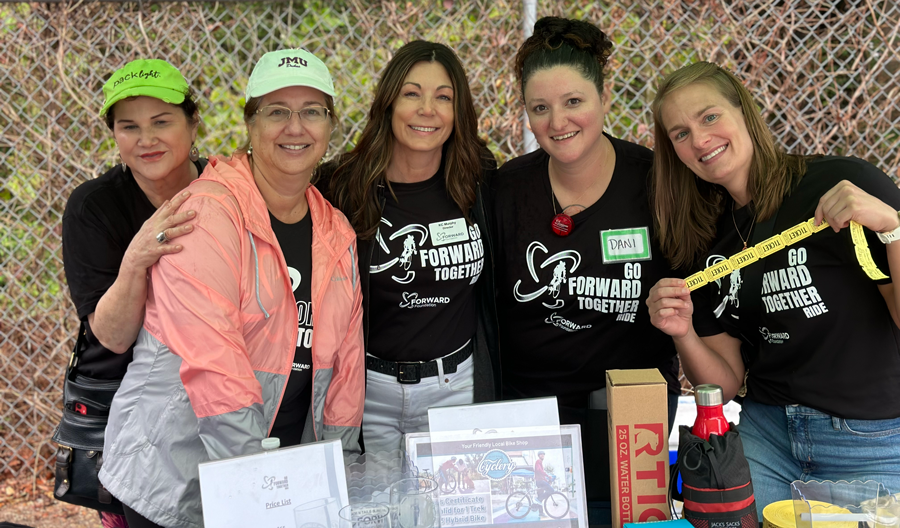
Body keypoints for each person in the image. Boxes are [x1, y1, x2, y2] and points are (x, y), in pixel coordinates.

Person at [99, 48, 365, 528]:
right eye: (277, 112)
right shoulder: (206, 213)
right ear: (250, 123)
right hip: (176, 474)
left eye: (312, 112)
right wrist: (257, 491)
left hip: (279, 474)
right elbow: (215, 363)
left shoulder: (336, 231)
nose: (295, 127)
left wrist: (336, 475)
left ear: (330, 125)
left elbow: (345, 373)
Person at [646, 61, 900, 516]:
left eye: (709, 117)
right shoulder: (703, 239)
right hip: (766, 436)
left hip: (870, 440)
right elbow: (725, 384)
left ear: (744, 112)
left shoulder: (840, 187)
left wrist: (894, 230)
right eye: (679, 134)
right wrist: (681, 330)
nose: (700, 139)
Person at [491, 17, 680, 522]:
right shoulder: (507, 190)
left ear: (604, 97)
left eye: (573, 102)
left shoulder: (657, 182)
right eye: (540, 108)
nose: (558, 122)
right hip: (526, 415)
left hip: (626, 410)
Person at [320, 40, 500, 453]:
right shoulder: (342, 185)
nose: (427, 109)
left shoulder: (477, 177)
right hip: (367, 394)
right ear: (388, 103)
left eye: (443, 97)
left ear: (459, 111)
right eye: (411, 93)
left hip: (457, 389)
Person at [61, 58, 203, 528]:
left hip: (214, 396)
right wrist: (138, 255)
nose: (146, 139)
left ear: (193, 122)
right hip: (127, 410)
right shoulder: (93, 207)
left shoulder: (224, 192)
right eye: (129, 126)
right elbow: (113, 336)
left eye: (162, 122)